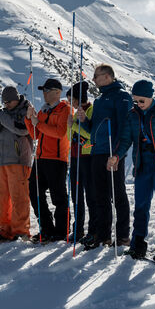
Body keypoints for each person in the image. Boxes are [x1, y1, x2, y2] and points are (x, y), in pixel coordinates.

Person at [108, 80, 155, 264]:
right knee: (140, 207)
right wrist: (116, 155)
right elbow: (125, 139)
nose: (138, 104)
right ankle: (137, 246)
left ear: (150, 97)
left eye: (142, 101)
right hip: (143, 165)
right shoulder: (132, 115)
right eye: (136, 101)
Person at [77, 64, 132, 250]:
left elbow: (125, 128)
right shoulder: (99, 100)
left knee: (118, 195)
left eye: (96, 76)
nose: (93, 79)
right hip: (97, 152)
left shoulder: (122, 97)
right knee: (100, 196)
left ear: (108, 76)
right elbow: (93, 129)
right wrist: (84, 121)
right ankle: (103, 236)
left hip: (112, 154)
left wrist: (117, 154)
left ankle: (123, 236)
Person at [25, 78, 72, 242]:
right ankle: (46, 228)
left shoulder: (65, 109)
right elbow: (35, 135)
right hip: (41, 158)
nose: (44, 94)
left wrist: (38, 123)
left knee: (58, 196)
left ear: (57, 92)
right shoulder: (43, 110)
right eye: (43, 91)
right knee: (34, 192)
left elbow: (60, 132)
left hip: (57, 159)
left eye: (47, 90)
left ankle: (62, 230)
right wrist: (29, 119)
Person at [0, 86, 34, 241]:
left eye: (8, 102)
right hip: (2, 161)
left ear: (16, 99)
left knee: (19, 197)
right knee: (1, 198)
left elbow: (22, 129)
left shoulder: (26, 111)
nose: (6, 104)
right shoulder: (4, 114)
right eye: (4, 102)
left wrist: (1, 117)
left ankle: (20, 230)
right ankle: (5, 229)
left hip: (19, 161)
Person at [67, 81, 96, 244]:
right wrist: (70, 126)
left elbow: (91, 136)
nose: (70, 103)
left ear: (78, 99)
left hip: (87, 156)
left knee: (90, 195)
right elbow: (68, 136)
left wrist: (74, 127)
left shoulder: (91, 111)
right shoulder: (75, 113)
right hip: (74, 157)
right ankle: (78, 229)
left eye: (71, 99)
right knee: (76, 195)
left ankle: (93, 229)